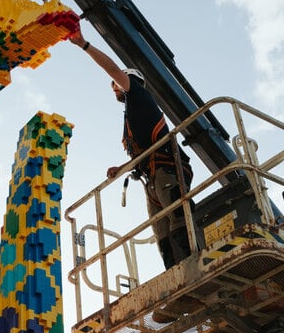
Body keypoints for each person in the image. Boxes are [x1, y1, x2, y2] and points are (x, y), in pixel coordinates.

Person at [68, 31, 194, 269]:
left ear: (129, 80)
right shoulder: (133, 115)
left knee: (178, 219)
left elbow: (114, 70)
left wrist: (83, 44)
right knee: (162, 232)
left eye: (116, 83)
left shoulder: (137, 95)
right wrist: (123, 168)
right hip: (152, 179)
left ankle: (191, 267)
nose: (113, 86)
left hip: (167, 172)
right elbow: (143, 152)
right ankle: (175, 275)